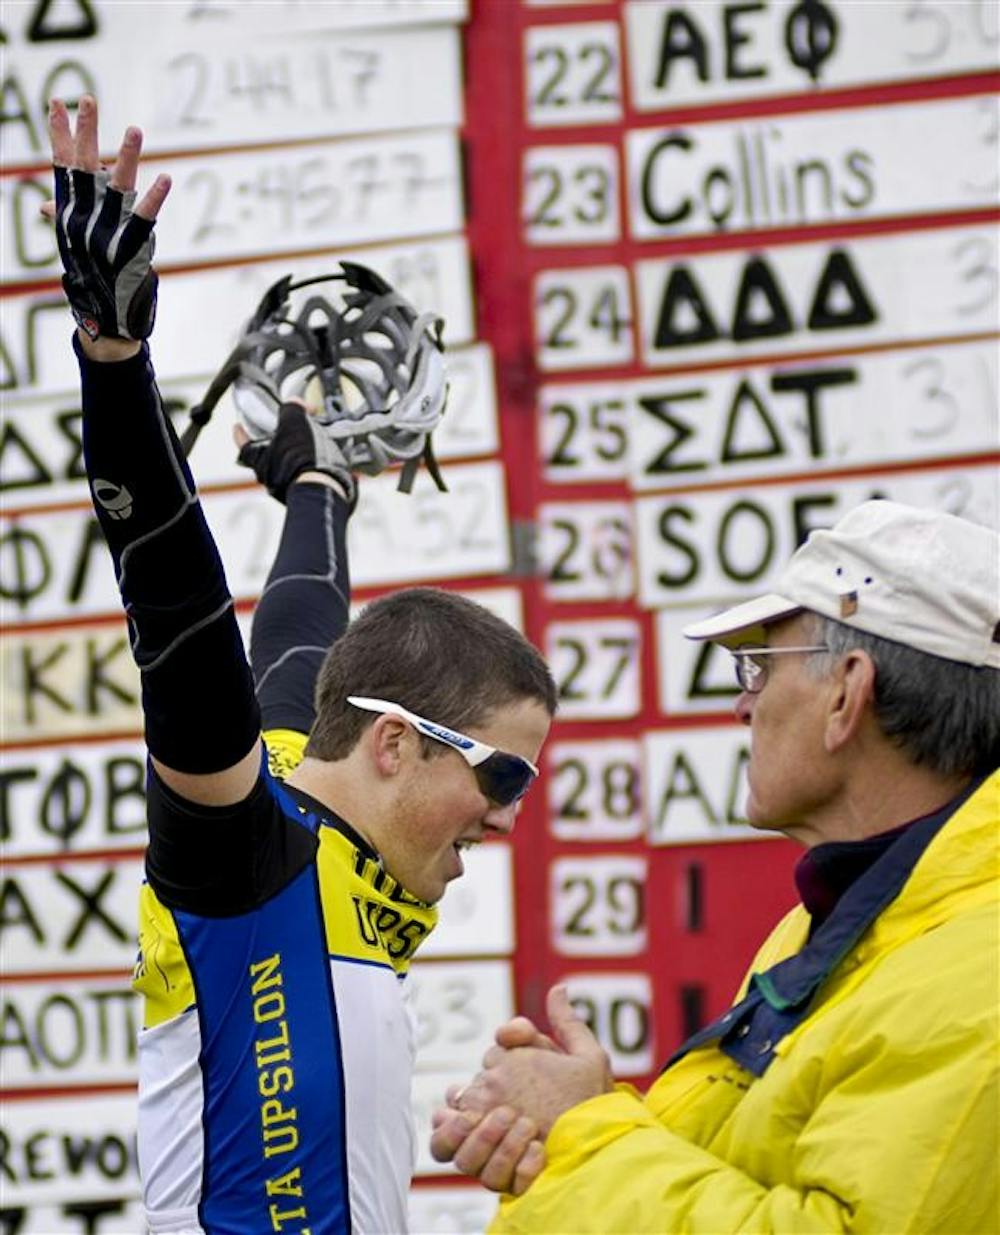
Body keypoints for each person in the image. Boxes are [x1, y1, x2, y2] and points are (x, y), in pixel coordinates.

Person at [48, 96, 556, 1235]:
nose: (507, 815)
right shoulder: (242, 848)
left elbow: (298, 627)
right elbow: (173, 601)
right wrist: (114, 358)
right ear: (392, 740)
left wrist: (317, 487)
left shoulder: (317, 782)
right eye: (500, 777)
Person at [431, 498, 1000, 1233]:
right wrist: (575, 1117)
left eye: (759, 665)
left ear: (847, 691)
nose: (742, 703)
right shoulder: (851, 920)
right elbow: (748, 1169)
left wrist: (581, 1131)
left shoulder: (973, 973)